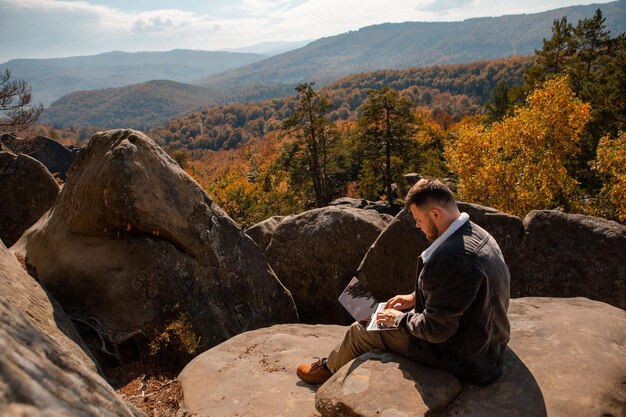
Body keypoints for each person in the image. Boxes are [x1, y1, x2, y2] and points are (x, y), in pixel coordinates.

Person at [296, 178, 511, 385]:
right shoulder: (477, 234)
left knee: (360, 330)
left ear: (435, 214)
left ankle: (328, 368)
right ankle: (375, 320)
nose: (417, 226)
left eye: (418, 219)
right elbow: (460, 290)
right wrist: (412, 298)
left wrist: (398, 320)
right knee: (373, 311)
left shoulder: (449, 259)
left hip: (466, 358)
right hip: (488, 342)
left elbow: (436, 331)